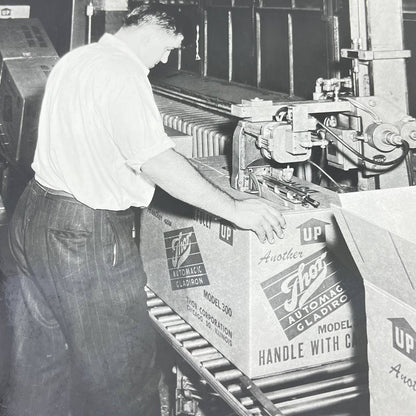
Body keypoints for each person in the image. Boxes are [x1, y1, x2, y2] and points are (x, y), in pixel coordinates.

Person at [4, 3, 286, 416]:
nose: (166, 58)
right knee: (122, 375)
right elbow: (156, 159)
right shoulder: (123, 74)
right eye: (172, 46)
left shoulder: (77, 60)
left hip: (34, 215)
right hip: (85, 234)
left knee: (39, 367)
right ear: (156, 30)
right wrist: (233, 209)